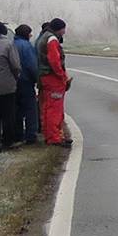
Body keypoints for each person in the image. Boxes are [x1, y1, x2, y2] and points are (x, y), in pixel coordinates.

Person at [38, 18, 72, 146]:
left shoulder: (44, 37)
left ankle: (50, 134)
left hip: (45, 77)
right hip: (53, 78)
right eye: (63, 29)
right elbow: (54, 61)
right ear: (59, 28)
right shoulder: (52, 40)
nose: (64, 32)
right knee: (55, 109)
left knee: (47, 108)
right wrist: (62, 76)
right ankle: (54, 137)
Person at [13, 24, 41, 145]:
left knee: (17, 110)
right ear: (25, 34)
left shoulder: (12, 44)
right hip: (26, 81)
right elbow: (32, 65)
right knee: (31, 109)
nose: (30, 35)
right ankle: (31, 135)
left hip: (13, 82)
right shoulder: (26, 46)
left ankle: (18, 134)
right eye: (29, 33)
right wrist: (37, 79)